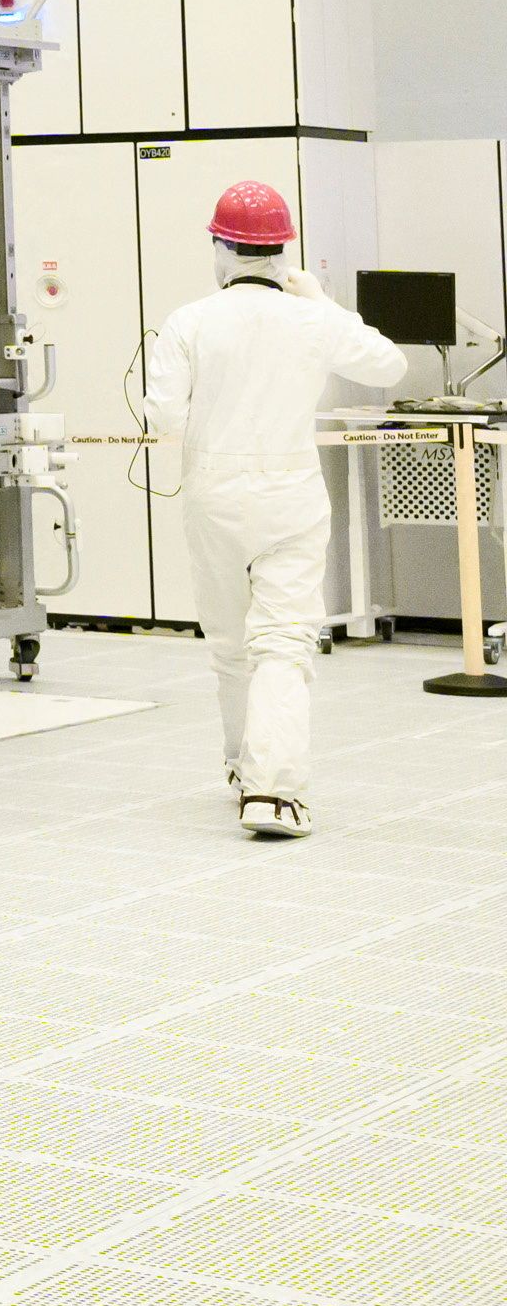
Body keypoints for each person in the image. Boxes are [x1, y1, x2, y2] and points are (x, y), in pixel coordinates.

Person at [139, 180, 403, 842]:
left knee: (231, 645)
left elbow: (163, 416)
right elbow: (389, 366)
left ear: (220, 247)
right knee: (284, 642)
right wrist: (323, 302)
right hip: (291, 494)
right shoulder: (312, 318)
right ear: (284, 251)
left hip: (214, 492)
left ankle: (239, 767)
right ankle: (273, 792)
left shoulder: (189, 320)